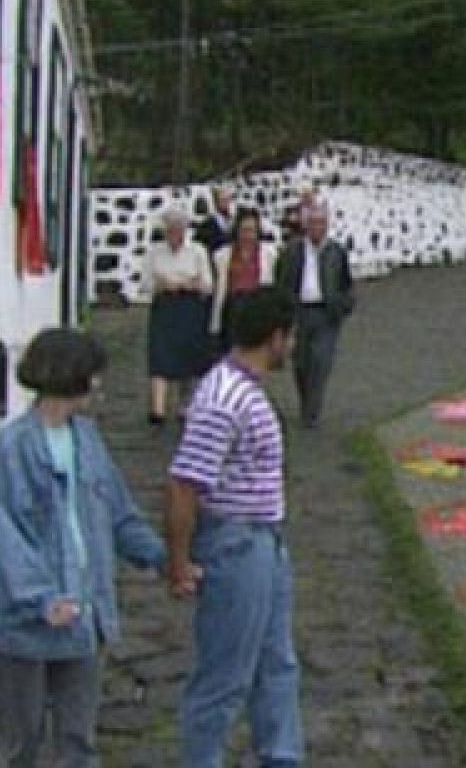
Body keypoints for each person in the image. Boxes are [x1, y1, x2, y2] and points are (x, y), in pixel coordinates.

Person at [0, 328, 166, 767]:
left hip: (85, 615)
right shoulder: (12, 448)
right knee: (21, 745)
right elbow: (9, 535)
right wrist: (41, 598)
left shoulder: (88, 438)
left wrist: (161, 556)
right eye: (92, 376)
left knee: (78, 742)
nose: (99, 385)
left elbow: (117, 510)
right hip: (27, 625)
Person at [167, 286, 302, 768]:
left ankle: (280, 754)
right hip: (235, 542)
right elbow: (185, 485)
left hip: (265, 539)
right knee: (225, 675)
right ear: (275, 338)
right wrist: (180, 563)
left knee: (276, 662)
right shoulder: (223, 400)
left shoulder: (246, 390)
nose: (293, 347)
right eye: (290, 337)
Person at [275, 205, 354, 429]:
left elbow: (346, 284)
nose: (317, 228)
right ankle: (306, 402)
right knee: (301, 364)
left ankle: (312, 412)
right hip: (299, 312)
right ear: (306, 226)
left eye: (322, 223)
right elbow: (281, 281)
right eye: (313, 223)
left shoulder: (336, 252)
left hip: (326, 314)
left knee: (321, 361)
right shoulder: (292, 251)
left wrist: (343, 305)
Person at [143, 207, 214, 424]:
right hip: (164, 307)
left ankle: (186, 406)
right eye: (170, 230)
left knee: (188, 358)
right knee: (160, 356)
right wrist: (162, 284)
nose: (174, 234)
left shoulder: (198, 252)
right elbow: (145, 284)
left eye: (178, 230)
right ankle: (158, 410)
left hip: (189, 308)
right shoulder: (154, 252)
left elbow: (208, 285)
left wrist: (188, 284)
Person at [210, 209, 276, 350]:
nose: (248, 235)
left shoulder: (271, 254)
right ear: (237, 231)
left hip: (258, 311)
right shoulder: (221, 256)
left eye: (252, 230)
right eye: (244, 230)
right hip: (232, 312)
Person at [196, 187, 235, 256]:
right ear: (216, 202)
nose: (227, 203)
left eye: (228, 200)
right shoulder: (207, 223)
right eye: (223, 200)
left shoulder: (234, 220)